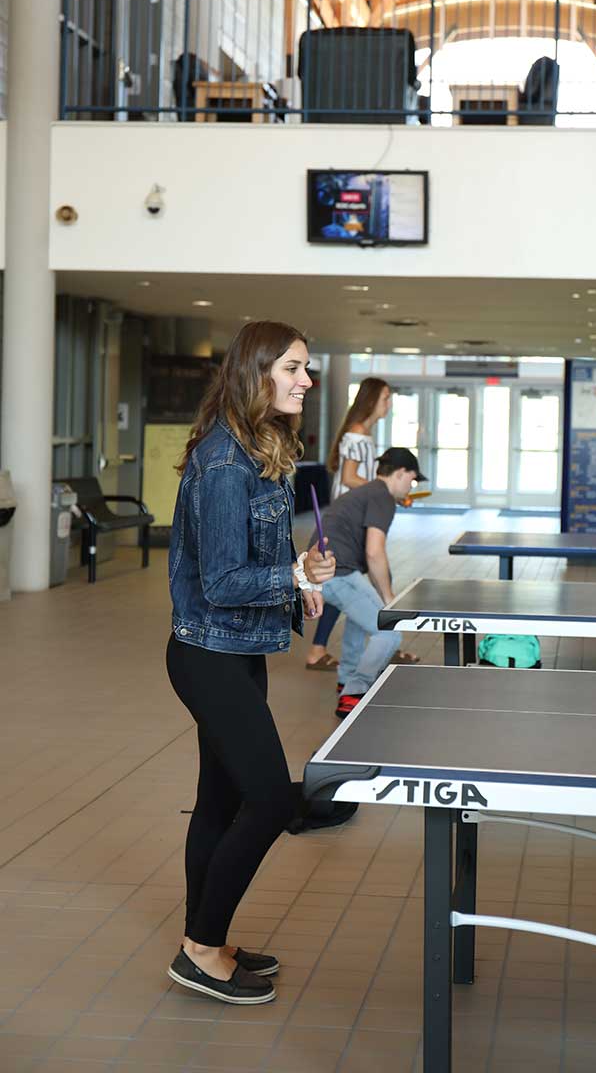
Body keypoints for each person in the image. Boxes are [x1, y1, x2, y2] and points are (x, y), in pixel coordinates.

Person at [165, 321, 336, 1005]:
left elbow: (255, 564)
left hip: (238, 651)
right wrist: (289, 577)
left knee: (221, 799)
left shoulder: (258, 447)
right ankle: (204, 948)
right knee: (269, 801)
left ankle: (200, 941)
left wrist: (301, 572)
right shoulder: (226, 460)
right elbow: (221, 582)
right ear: (259, 370)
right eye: (295, 367)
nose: (307, 380)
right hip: (207, 652)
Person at [306, 377, 419, 669]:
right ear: (370, 400)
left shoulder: (363, 435)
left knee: (349, 590)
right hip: (348, 523)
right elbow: (347, 478)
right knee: (347, 583)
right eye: (385, 398)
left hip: (355, 518)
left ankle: (346, 662)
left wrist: (388, 494)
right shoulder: (357, 434)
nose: (388, 404)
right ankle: (364, 651)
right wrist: (381, 491)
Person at [317, 447, 427, 718]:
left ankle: (347, 679)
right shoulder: (383, 496)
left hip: (324, 570)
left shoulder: (368, 492)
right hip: (337, 571)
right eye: (411, 480)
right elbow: (374, 551)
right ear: (400, 474)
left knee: (360, 619)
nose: (410, 488)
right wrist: (390, 598)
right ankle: (355, 692)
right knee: (389, 631)